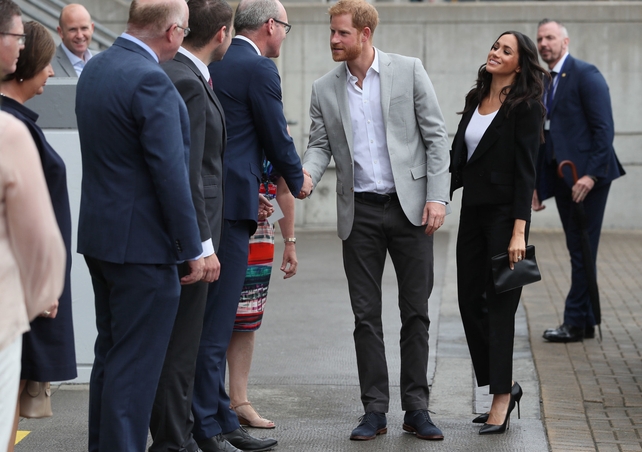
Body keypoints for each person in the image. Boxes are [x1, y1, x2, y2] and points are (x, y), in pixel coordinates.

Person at [302, 0, 450, 442]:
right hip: (360, 212)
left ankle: (417, 408)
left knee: (416, 313)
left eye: (342, 33)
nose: (333, 39)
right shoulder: (324, 88)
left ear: (365, 34)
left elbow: (436, 137)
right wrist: (307, 174)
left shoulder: (408, 70)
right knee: (365, 316)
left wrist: (438, 197)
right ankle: (375, 410)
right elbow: (318, 144)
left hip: (410, 209)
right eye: (331, 31)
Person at [75, 0, 205, 450]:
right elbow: (172, 174)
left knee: (111, 358)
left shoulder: (95, 68)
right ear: (171, 32)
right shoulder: (152, 80)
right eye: (185, 31)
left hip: (100, 238)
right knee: (134, 370)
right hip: (144, 249)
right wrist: (194, 247)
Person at [193, 0, 312, 450]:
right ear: (270, 26)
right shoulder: (258, 68)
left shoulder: (215, 63)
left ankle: (220, 414)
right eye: (286, 28)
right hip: (231, 208)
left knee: (209, 322)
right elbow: (275, 132)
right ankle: (208, 424)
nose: (285, 36)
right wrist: (297, 180)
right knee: (218, 323)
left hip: (215, 201)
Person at [450, 31, 546, 435]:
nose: (496, 52)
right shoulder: (476, 99)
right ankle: (504, 383)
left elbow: (527, 172)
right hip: (472, 210)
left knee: (501, 305)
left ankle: (501, 398)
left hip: (506, 218)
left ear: (519, 64)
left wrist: (519, 232)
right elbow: (459, 157)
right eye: (495, 46)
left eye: (506, 50)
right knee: (470, 300)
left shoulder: (527, 108)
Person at [149, 0, 231, 451]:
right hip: (192, 238)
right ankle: (173, 441)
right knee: (181, 347)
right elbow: (191, 171)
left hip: (192, 232)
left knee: (181, 344)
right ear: (220, 33)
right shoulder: (185, 80)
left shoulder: (184, 75)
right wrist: (201, 244)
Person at [0, 21, 77, 452]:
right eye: (46, 64)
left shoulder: (19, 123)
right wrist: (44, 285)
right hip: (20, 290)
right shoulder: (13, 128)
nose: (51, 73)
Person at [534, 19, 625, 343]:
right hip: (563, 179)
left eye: (550, 38)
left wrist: (590, 175)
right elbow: (547, 136)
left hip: (588, 180)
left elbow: (604, 130)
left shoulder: (586, 74)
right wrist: (538, 186)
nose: (544, 43)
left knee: (582, 248)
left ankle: (574, 322)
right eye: (540, 39)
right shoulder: (546, 81)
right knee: (578, 248)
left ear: (565, 41)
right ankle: (585, 321)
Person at [228, 163, 297, 430]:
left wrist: (289, 241)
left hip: (260, 226)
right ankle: (208, 401)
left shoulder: (275, 125)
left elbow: (282, 191)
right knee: (211, 314)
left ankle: (239, 400)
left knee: (248, 316)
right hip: (220, 214)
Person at [50, 3, 94, 77]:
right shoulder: (48, 65)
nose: (79, 36)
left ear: (92, 28)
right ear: (61, 32)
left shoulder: (104, 61)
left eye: (84, 28)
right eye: (73, 29)